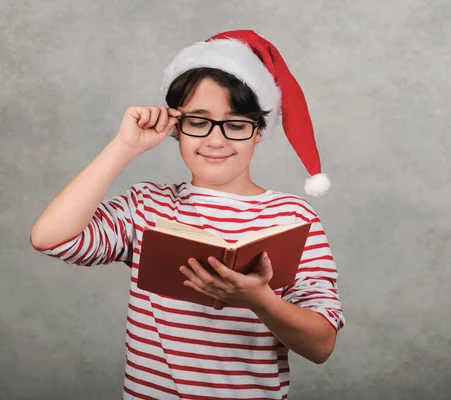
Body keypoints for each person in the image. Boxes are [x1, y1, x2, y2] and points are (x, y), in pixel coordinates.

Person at [30, 30, 345, 399]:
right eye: (198, 121)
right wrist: (123, 147)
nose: (216, 140)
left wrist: (261, 301)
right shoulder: (146, 206)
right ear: (176, 126)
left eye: (236, 124)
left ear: (258, 131)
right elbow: (51, 239)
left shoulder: (293, 216)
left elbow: (321, 345)